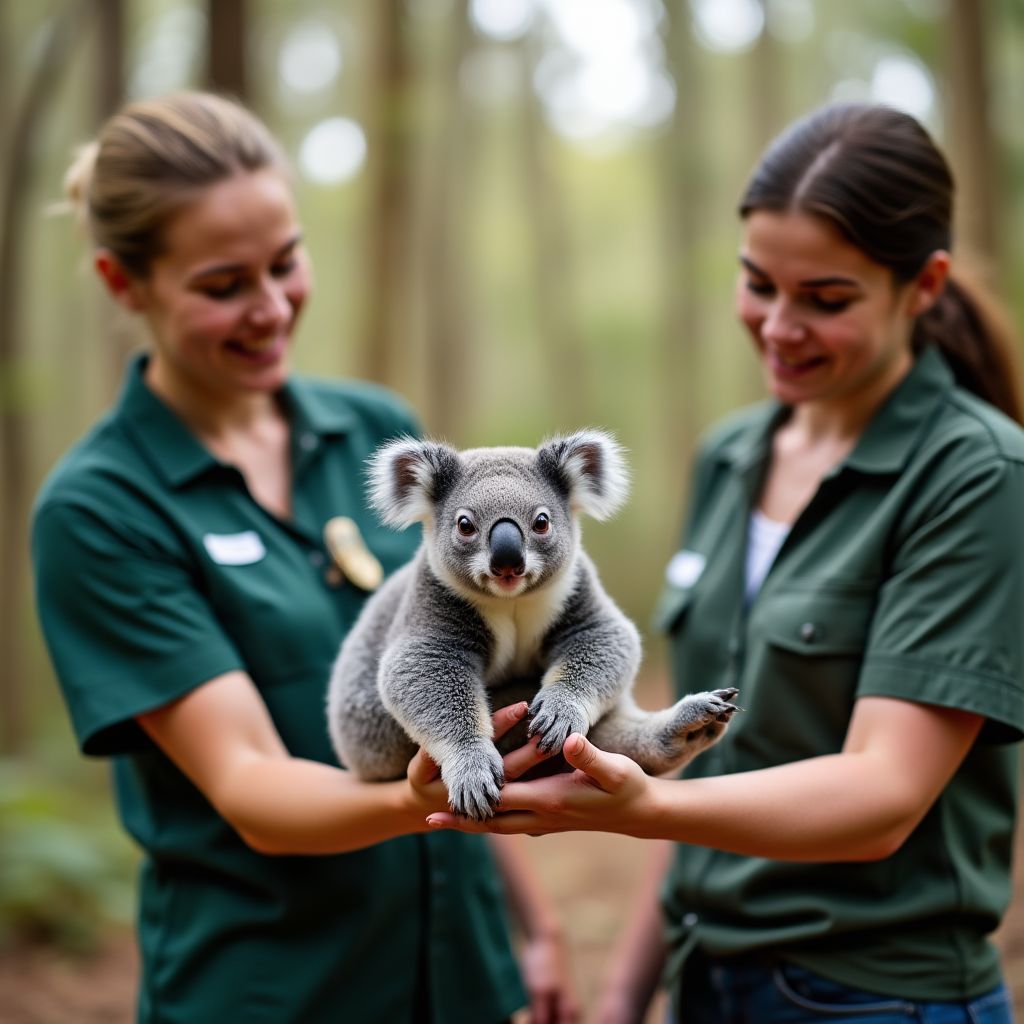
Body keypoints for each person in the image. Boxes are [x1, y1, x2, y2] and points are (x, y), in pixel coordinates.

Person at [428, 103, 1024, 1023]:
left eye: (826, 299)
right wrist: (626, 995)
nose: (779, 326)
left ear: (924, 286)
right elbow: (708, 762)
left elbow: (885, 794)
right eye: (758, 284)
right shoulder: (729, 458)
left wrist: (642, 809)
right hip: (706, 978)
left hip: (880, 995)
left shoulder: (976, 477)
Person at [32, 91, 579, 1024]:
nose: (272, 306)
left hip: (459, 976)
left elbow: (467, 692)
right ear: (125, 284)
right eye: (223, 286)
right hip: (274, 989)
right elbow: (250, 784)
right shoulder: (103, 509)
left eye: (285, 262)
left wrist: (536, 928)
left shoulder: (378, 436)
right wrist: (431, 790)